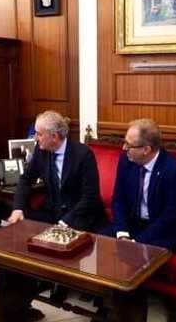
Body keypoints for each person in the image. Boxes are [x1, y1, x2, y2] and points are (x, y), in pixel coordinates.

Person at [7, 110, 106, 301]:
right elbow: (25, 179)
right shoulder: (41, 151)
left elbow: (90, 197)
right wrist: (18, 209)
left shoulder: (83, 155)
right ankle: (36, 277)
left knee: (64, 236)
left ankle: (62, 281)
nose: (35, 138)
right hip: (53, 206)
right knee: (24, 227)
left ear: (54, 136)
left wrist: (65, 221)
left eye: (38, 133)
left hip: (80, 211)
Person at [99, 118, 176, 253]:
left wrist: (136, 242)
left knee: (143, 254)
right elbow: (119, 200)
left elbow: (171, 217)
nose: (124, 148)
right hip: (134, 224)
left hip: (167, 230)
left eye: (129, 145)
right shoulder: (127, 160)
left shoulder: (174, 170)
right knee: (100, 242)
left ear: (146, 149)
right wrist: (122, 234)